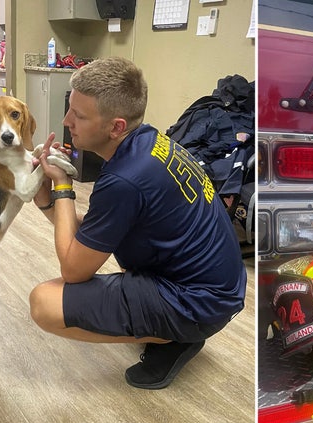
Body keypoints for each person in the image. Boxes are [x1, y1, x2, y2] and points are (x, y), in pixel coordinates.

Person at [29, 57, 247, 390]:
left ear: (115, 126)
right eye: (70, 109)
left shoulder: (123, 180)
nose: (66, 120)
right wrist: (47, 197)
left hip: (201, 302)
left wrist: (62, 187)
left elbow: (74, 269)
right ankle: (170, 327)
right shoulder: (149, 142)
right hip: (218, 289)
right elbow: (94, 232)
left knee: (44, 303)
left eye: (79, 115)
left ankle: (173, 337)